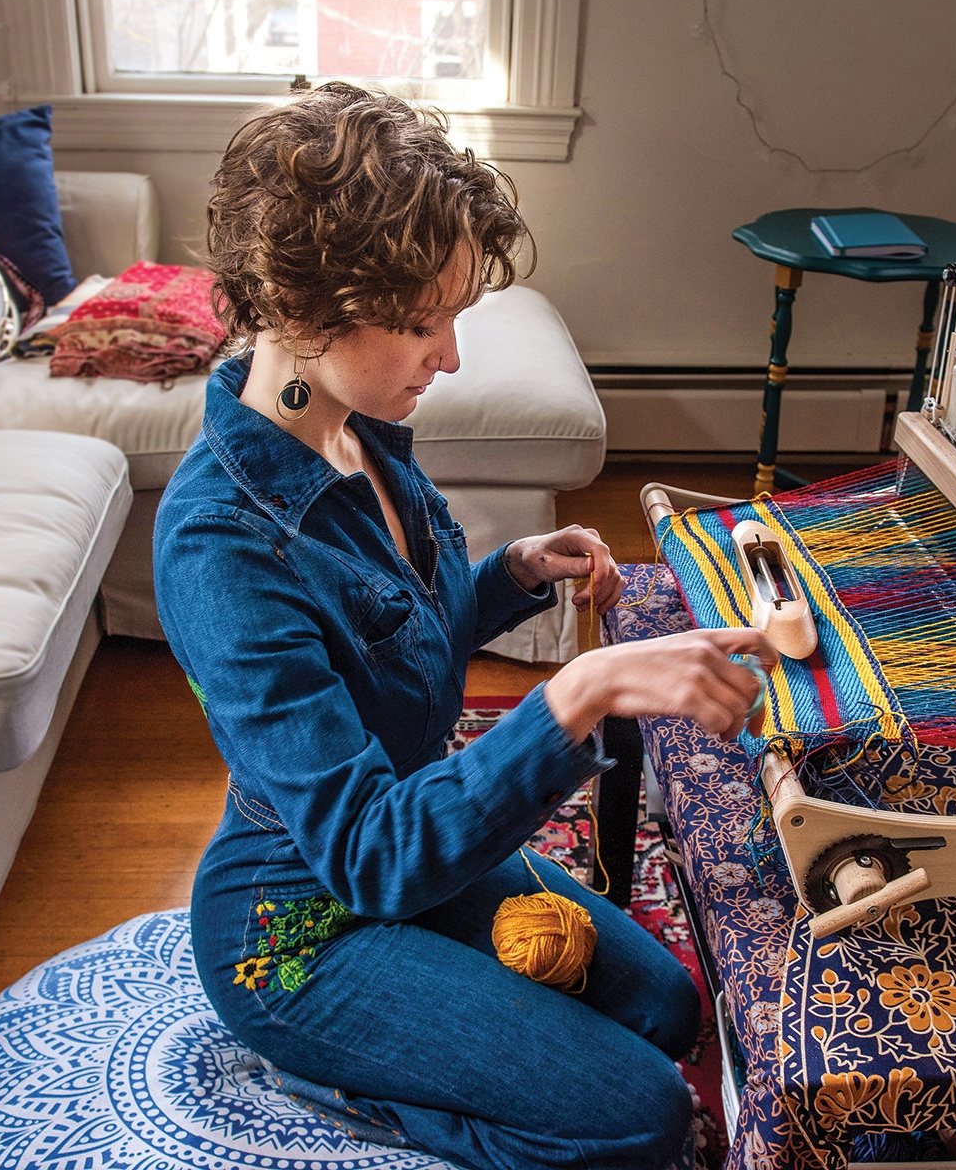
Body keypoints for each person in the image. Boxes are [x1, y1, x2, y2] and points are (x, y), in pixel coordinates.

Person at [153, 82, 776, 1170]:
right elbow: (367, 852)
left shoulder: (355, 425)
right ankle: (334, 1091)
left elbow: (398, 624)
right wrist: (575, 694)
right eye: (417, 323)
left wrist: (515, 573)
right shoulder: (221, 547)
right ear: (304, 314)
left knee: (665, 1008)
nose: (447, 355)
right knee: (638, 1114)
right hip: (299, 928)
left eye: (450, 316)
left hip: (406, 856)